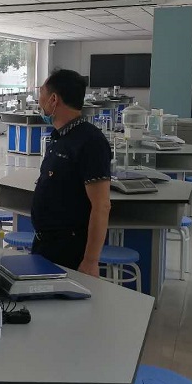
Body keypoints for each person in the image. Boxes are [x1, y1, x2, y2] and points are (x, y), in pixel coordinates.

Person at [31, 69, 112, 276]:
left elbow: (101, 205)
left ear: (54, 99)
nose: (39, 102)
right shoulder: (59, 137)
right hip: (45, 244)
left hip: (69, 250)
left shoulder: (90, 141)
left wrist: (90, 261)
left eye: (41, 94)